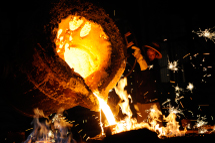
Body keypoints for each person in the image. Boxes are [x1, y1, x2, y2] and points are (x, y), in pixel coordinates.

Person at [131, 42, 163, 124]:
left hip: (153, 102)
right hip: (141, 103)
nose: (150, 55)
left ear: (156, 55)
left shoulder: (154, 67)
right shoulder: (139, 63)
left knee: (157, 128)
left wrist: (140, 59)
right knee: (142, 128)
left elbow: (146, 74)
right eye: (149, 51)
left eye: (153, 53)